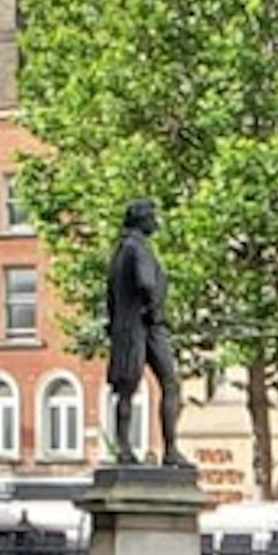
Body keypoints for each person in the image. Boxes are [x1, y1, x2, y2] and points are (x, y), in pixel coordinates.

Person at [102, 198, 182, 467]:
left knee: (126, 390)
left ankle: (124, 447)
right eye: (152, 216)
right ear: (142, 219)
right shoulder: (138, 248)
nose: (156, 220)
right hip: (145, 326)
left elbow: (110, 298)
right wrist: (154, 309)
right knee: (169, 383)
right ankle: (170, 449)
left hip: (125, 328)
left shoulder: (120, 250)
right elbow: (146, 282)